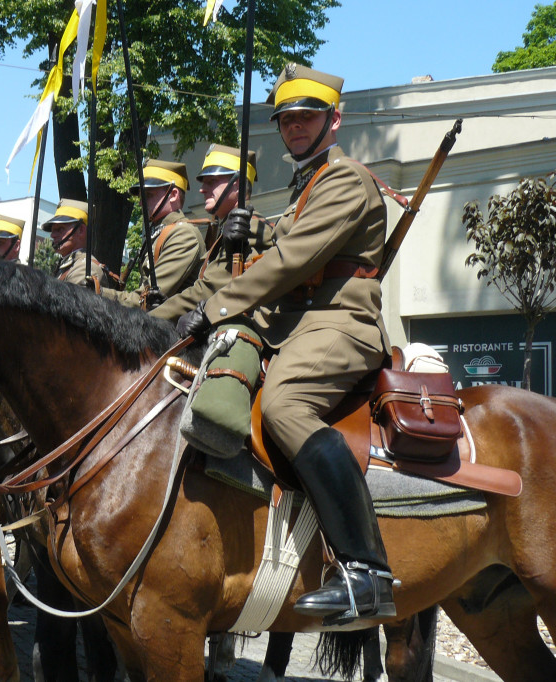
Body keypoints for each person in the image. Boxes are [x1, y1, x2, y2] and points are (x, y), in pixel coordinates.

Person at [175, 65, 396, 625]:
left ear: (333, 120)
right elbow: (287, 244)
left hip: (339, 323)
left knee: (283, 405)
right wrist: (252, 233)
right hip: (298, 321)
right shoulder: (309, 184)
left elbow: (295, 262)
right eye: (287, 119)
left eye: (307, 117)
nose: (295, 126)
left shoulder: (345, 179)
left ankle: (365, 573)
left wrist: (214, 309)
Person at [150, 144, 274, 319]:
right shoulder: (227, 228)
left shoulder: (252, 227)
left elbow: (209, 289)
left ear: (237, 184)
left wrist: (148, 318)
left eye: (211, 181)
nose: (202, 189)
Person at [105, 159, 204, 309]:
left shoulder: (183, 234)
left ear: (173, 195)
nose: (140, 203)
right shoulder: (159, 232)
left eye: (148, 195)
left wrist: (98, 294)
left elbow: (147, 298)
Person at [41, 199, 115, 291]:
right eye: (53, 230)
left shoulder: (85, 269)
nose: (52, 235)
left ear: (81, 230)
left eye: (60, 229)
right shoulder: (68, 265)